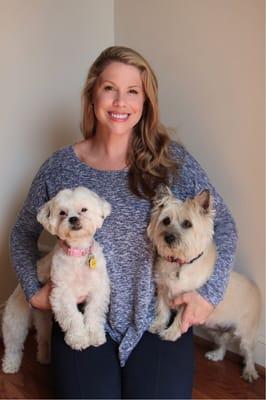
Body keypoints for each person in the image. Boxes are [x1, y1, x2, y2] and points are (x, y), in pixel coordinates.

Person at [10, 46, 237, 399]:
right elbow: (22, 232)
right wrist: (33, 289)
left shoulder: (172, 161)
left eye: (133, 91)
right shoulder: (59, 167)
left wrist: (209, 295)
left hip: (156, 315)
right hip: (85, 315)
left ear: (145, 101)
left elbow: (225, 226)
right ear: (92, 95)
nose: (120, 102)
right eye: (109, 88)